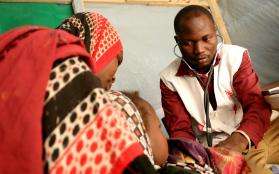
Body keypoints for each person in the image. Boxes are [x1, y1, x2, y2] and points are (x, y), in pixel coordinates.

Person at [0, 12, 157, 174]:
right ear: (97, 51)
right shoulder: (106, 102)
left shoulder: (36, 62)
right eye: (114, 62)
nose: (114, 79)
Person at [160, 5, 279, 173]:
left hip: (248, 135)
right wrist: (202, 160)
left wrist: (237, 141)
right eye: (188, 43)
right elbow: (180, 131)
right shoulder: (169, 79)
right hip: (211, 150)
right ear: (177, 41)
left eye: (206, 38)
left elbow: (256, 106)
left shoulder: (236, 57)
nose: (199, 50)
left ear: (215, 32)